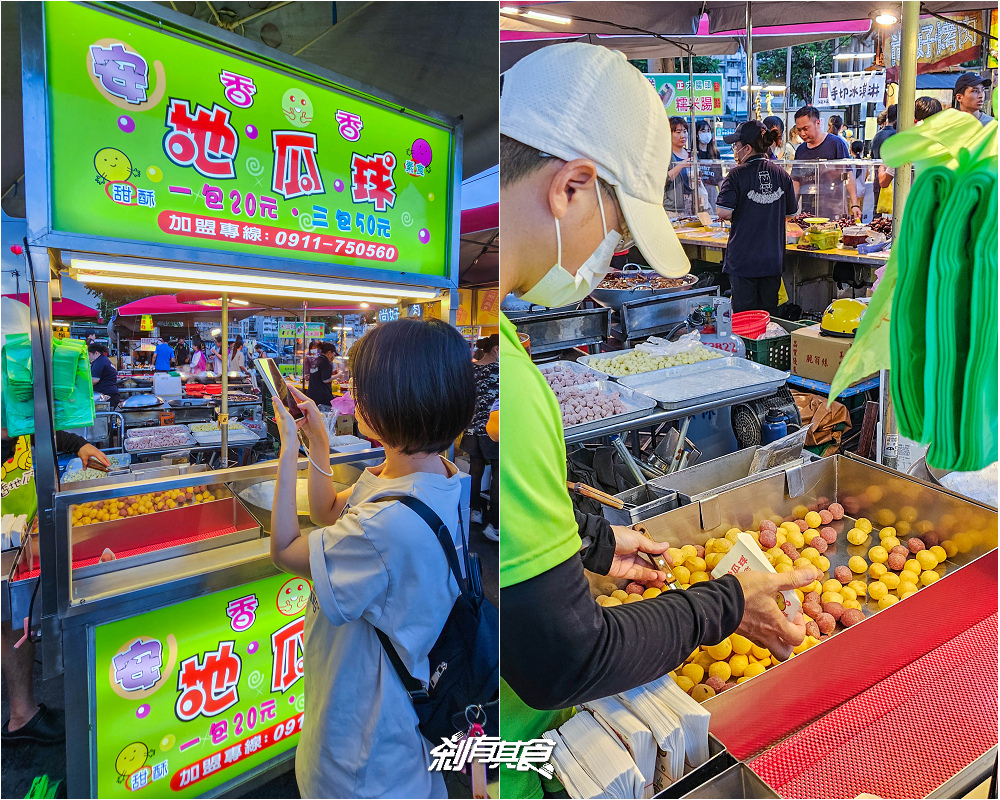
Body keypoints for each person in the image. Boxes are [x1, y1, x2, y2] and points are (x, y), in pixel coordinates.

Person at [499, 42, 819, 799]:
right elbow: (563, 662)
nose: (611, 260)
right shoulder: (500, 376)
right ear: (570, 187)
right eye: (618, 230)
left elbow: (486, 515)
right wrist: (726, 605)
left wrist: (590, 537)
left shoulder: (472, 327)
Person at [267, 318, 475, 799]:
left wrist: (288, 449)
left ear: (390, 405)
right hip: (399, 725)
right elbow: (325, 511)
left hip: (363, 756)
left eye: (359, 387)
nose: (351, 393)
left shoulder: (386, 528)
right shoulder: (435, 476)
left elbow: (283, 550)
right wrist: (319, 440)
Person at [2, 428, 110, 744]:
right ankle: (20, 716)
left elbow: (44, 433)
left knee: (19, 618)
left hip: (21, 531)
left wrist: (80, 445)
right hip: (5, 541)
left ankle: (23, 711)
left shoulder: (15, 425)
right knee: (9, 621)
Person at [716, 121, 798, 315]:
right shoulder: (781, 174)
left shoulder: (736, 174)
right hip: (772, 260)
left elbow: (723, 212)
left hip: (744, 260)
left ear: (747, 148)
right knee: (767, 316)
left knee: (745, 318)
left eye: (736, 145)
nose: (735, 149)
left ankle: (747, 346)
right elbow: (791, 214)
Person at [791, 105, 860, 220]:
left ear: (817, 123)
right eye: (799, 130)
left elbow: (848, 174)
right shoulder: (800, 150)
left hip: (833, 209)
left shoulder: (836, 144)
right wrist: (792, 209)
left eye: (805, 128)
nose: (802, 134)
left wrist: (854, 204)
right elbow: (796, 181)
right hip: (808, 211)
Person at [464, 334, 500, 542]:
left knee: (475, 471)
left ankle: (474, 511)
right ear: (496, 349)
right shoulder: (500, 371)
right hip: (492, 430)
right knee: (498, 475)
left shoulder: (470, 369)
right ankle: (494, 524)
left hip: (471, 428)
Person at [870, 104, 897, 214]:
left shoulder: (877, 135)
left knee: (878, 214)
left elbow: (872, 157)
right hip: (891, 182)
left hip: (877, 180)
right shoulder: (896, 135)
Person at [663, 116, 692, 217]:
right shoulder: (665, 156)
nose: (683, 135)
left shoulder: (691, 154)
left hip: (691, 206)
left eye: (685, 131)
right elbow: (663, 180)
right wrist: (681, 166)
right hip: (672, 208)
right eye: (678, 132)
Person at [695, 120, 723, 214]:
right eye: (703, 131)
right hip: (698, 190)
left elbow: (719, 178)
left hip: (712, 191)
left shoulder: (715, 153)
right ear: (697, 134)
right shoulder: (692, 153)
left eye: (708, 131)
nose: (706, 134)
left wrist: (722, 195)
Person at [88, 343, 120, 409]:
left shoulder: (99, 362)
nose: (88, 357)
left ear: (96, 353)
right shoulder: (103, 359)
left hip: (107, 395)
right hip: (112, 393)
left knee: (105, 417)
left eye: (89, 354)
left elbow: (94, 380)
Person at [306, 341, 335, 407]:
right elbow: (326, 380)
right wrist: (338, 375)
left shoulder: (316, 360)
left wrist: (332, 373)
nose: (334, 356)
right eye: (334, 354)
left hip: (312, 396)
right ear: (329, 353)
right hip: (322, 398)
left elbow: (319, 374)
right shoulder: (326, 363)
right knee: (323, 416)